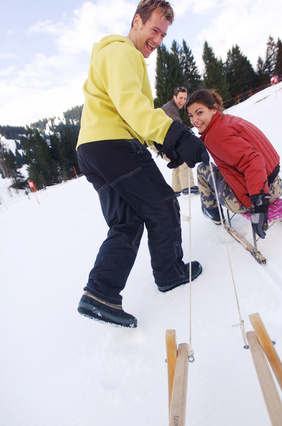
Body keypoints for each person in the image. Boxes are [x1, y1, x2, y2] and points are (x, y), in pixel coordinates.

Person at [76, 0, 209, 328]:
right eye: (154, 30)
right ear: (137, 21)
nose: (158, 40)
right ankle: (170, 273)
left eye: (163, 34)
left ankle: (100, 293)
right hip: (113, 144)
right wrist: (176, 135)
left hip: (93, 148)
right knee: (163, 205)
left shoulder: (115, 56)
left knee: (126, 222)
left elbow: (133, 117)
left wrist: (166, 147)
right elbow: (133, 107)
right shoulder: (122, 52)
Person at [186, 89, 282, 239]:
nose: (194, 120)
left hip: (255, 199)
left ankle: (213, 213)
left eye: (199, 112)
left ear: (214, 108)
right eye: (191, 116)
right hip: (276, 185)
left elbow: (253, 161)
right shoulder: (229, 120)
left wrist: (260, 207)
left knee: (203, 169)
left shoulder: (216, 135)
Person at [161, 87, 199, 196]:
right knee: (183, 159)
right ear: (174, 97)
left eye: (185, 98)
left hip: (162, 141)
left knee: (176, 162)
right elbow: (178, 129)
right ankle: (188, 187)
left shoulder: (172, 107)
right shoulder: (170, 108)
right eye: (180, 98)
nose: (183, 101)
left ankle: (176, 189)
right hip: (161, 141)